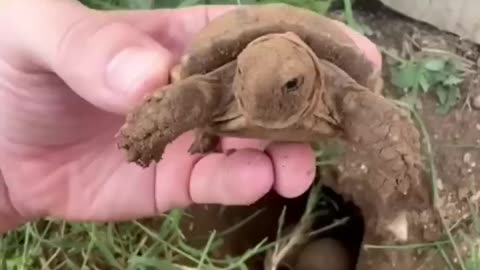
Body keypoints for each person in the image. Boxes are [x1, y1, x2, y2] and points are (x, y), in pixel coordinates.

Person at [0, 0, 382, 233]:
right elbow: (189, 95)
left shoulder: (339, 86)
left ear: (312, 74)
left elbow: (372, 110)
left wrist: (393, 154)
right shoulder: (214, 88)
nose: (258, 97)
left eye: (289, 86)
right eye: (245, 80)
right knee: (200, 97)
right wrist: (145, 133)